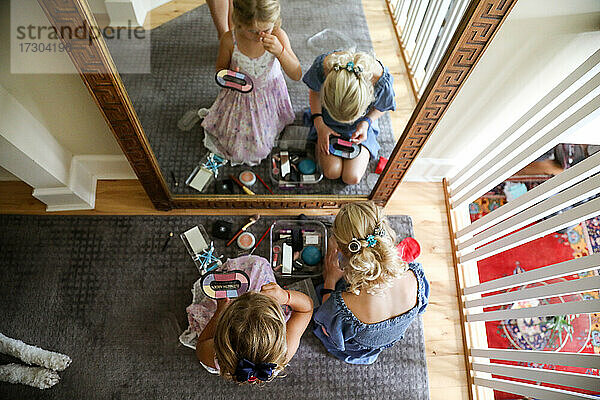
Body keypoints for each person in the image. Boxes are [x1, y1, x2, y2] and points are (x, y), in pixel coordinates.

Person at [313, 201, 429, 364]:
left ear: (343, 253)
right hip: (381, 340)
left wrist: (330, 279)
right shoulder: (415, 277)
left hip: (356, 348)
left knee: (319, 300)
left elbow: (328, 328)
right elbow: (421, 308)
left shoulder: (342, 307)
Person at [201, 0, 301, 165]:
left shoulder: (278, 36)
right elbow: (220, 70)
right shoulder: (229, 40)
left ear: (274, 22)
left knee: (261, 145)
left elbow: (296, 74)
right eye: (252, 31)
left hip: (269, 97)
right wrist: (231, 76)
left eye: (265, 30)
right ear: (239, 22)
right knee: (235, 145)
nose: (260, 36)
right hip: (240, 98)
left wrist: (280, 52)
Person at [187, 255, 313, 383]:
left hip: (224, 343)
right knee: (259, 264)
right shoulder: (284, 352)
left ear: (222, 329)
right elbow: (306, 308)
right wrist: (285, 296)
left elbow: (202, 344)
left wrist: (219, 312)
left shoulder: (217, 355)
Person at [302, 51, 396, 185]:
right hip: (327, 122)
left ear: (368, 96)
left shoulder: (380, 79)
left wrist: (366, 122)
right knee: (331, 172)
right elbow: (314, 93)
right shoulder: (322, 67)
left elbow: (382, 107)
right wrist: (319, 123)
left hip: (361, 125)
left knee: (352, 177)